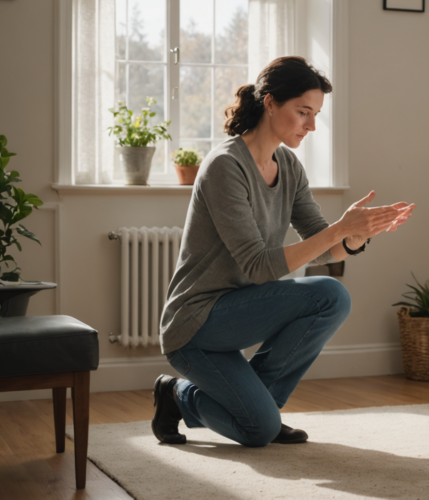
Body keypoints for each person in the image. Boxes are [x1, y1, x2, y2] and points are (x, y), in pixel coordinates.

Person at [153, 56, 414, 447]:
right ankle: (178, 394)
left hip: (241, 308)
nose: (310, 125)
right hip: (197, 321)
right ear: (271, 103)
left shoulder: (288, 166)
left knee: (331, 297)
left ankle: (263, 411)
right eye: (302, 112)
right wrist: (339, 230)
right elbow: (259, 267)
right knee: (260, 430)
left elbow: (325, 245)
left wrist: (356, 235)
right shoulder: (225, 166)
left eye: (316, 115)